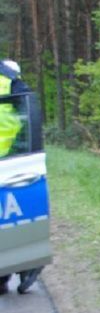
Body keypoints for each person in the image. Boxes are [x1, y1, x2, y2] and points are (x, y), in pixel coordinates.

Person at [0, 59, 40, 294]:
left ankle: (17, 266)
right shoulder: (9, 79)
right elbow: (30, 111)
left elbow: (29, 111)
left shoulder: (8, 79)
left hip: (8, 164)